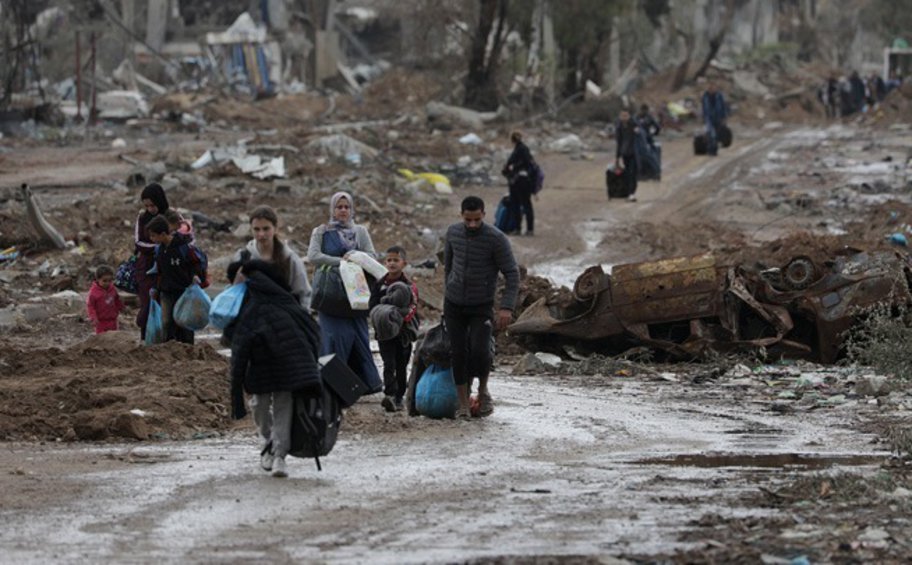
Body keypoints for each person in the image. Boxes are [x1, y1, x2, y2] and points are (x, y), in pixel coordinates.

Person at [229, 259, 322, 479]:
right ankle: (268, 441)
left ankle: (279, 455)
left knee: (283, 408)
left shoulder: (281, 303)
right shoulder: (250, 304)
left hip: (286, 367)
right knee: (260, 405)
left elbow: (310, 334)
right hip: (260, 367)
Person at [444, 196, 520, 419]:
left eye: (477, 219)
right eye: (468, 220)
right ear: (461, 216)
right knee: (457, 353)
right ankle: (463, 404)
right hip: (454, 304)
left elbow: (512, 274)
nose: (472, 225)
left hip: (481, 305)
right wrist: (446, 297)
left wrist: (506, 307)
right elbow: (448, 266)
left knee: (480, 351)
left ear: (484, 215)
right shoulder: (453, 233)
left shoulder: (496, 239)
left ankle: (483, 390)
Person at [307, 191, 382, 393]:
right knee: (333, 338)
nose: (343, 211)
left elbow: (372, 255)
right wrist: (340, 262)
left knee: (358, 337)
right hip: (330, 295)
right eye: (339, 207)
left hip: (356, 295)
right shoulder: (321, 231)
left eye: (346, 207)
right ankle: (333, 384)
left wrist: (356, 256)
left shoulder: (360, 232)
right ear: (332, 209)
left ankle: (364, 384)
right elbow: (313, 256)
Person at [369, 245, 419, 413]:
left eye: (396, 260)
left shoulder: (409, 286)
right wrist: (382, 318)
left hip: (403, 333)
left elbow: (412, 308)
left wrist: (397, 318)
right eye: (389, 260)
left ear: (404, 263)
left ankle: (399, 397)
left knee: (401, 365)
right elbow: (373, 306)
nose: (392, 263)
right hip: (384, 333)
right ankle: (389, 395)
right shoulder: (379, 284)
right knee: (388, 363)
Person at [232, 206, 311, 309]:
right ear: (251, 229)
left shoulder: (289, 259)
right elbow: (234, 293)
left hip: (284, 318)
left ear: (275, 228)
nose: (261, 234)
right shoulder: (243, 257)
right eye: (256, 229)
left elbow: (303, 293)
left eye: (266, 229)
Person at [147, 215, 206, 345]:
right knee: (167, 321)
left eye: (153, 236)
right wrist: (155, 288)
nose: (152, 239)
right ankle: (169, 348)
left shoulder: (183, 247)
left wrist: (195, 276)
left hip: (184, 291)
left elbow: (195, 263)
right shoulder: (159, 250)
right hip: (166, 291)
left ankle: (188, 348)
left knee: (185, 321)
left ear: (163, 234)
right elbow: (158, 272)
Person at [133, 182, 169, 340]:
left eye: (152, 205)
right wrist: (158, 246)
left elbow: (185, 239)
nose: (150, 209)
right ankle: (146, 338)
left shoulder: (171, 216)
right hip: (146, 269)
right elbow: (138, 242)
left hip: (169, 269)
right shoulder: (142, 218)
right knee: (147, 305)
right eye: (146, 206)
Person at [501, 131, 536, 236]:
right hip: (524, 182)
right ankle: (529, 229)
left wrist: (509, 170)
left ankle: (519, 229)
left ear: (512, 140)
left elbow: (509, 166)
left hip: (518, 182)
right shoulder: (524, 150)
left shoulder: (518, 150)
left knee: (517, 205)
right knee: (525, 205)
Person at [86, 265, 124, 334]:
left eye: (110, 281)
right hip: (101, 322)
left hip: (113, 320)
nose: (107, 283)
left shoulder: (112, 289)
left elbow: (117, 300)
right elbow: (90, 306)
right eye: (104, 281)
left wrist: (122, 308)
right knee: (102, 340)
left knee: (113, 338)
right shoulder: (93, 293)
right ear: (97, 279)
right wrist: (93, 318)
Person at [615, 109, 639, 201]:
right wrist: (617, 157)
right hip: (625, 153)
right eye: (622, 116)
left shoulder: (634, 125)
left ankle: (631, 193)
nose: (624, 118)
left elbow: (641, 135)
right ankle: (630, 193)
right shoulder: (619, 127)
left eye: (626, 116)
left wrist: (638, 132)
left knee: (633, 173)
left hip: (635, 153)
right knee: (628, 173)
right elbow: (619, 142)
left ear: (629, 116)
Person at [701, 82, 728, 156]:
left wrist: (724, 117)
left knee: (716, 135)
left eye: (713, 88)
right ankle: (711, 150)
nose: (711, 89)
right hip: (709, 118)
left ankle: (714, 150)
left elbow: (723, 107)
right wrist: (703, 117)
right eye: (710, 88)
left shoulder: (719, 96)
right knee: (711, 134)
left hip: (718, 117)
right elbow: (703, 108)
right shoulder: (705, 96)